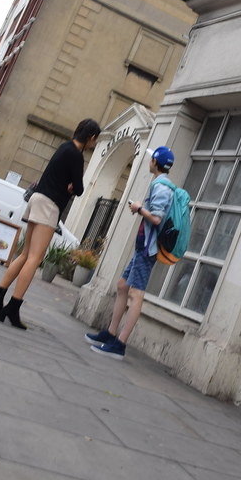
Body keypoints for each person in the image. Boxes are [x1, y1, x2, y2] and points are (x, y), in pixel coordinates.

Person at [0, 118, 100, 330]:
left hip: (37, 199)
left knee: (26, 254)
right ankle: (13, 306)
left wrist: (71, 184)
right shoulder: (76, 155)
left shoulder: (64, 147)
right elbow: (80, 189)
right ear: (91, 137)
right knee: (35, 258)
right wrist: (71, 186)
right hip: (49, 205)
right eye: (94, 140)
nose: (93, 144)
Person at [85, 145, 175, 359]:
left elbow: (156, 218)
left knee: (135, 294)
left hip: (148, 249)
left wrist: (138, 208)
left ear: (155, 162)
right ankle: (110, 333)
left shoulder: (162, 187)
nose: (149, 161)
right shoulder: (160, 183)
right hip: (143, 246)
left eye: (151, 158)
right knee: (122, 286)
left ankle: (120, 343)